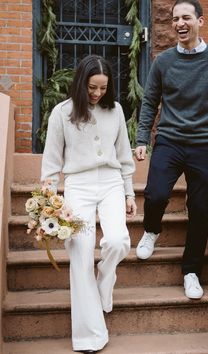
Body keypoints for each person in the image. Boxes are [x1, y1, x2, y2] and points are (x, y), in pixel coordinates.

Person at [135, 0, 208, 300]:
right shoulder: (163, 62)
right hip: (169, 140)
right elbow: (150, 102)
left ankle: (191, 271)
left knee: (201, 208)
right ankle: (152, 230)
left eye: (186, 18)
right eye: (175, 18)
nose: (179, 23)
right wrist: (142, 139)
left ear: (200, 21)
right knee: (155, 194)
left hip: (204, 144)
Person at [41, 55, 137, 353]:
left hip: (110, 182)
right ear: (80, 84)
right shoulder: (61, 113)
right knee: (81, 252)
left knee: (119, 242)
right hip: (77, 187)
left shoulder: (116, 110)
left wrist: (129, 192)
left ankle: (104, 281)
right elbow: (52, 161)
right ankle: (89, 337)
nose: (97, 94)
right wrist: (48, 202)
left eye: (103, 88)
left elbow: (123, 155)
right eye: (92, 88)